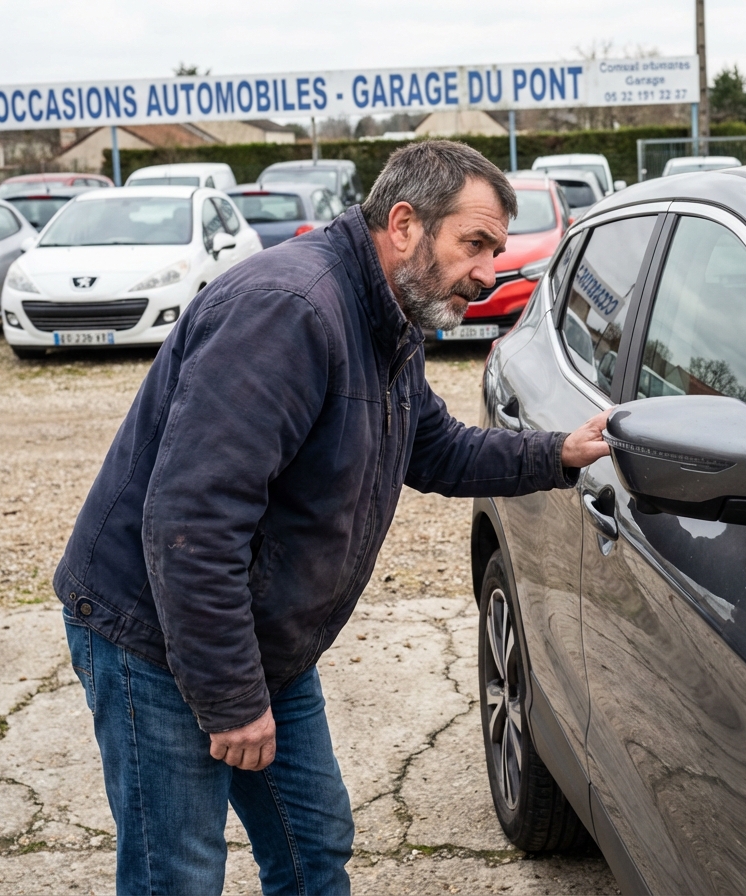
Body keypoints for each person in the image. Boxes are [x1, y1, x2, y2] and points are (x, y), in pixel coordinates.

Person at [55, 140, 610, 895]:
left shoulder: (388, 316)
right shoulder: (289, 312)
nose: (488, 272)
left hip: (260, 635)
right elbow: (193, 524)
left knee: (314, 843)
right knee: (178, 873)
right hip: (156, 634)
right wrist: (232, 701)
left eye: (496, 251)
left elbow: (433, 447)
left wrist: (560, 454)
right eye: (474, 244)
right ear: (406, 224)